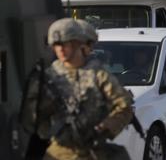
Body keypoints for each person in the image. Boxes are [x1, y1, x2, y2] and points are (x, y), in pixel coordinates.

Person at [21, 18, 134, 160]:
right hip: (59, 151)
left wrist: (105, 126)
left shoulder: (98, 75)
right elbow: (30, 120)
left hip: (92, 150)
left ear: (77, 43)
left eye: (65, 44)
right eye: (56, 45)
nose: (60, 49)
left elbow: (124, 106)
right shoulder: (46, 77)